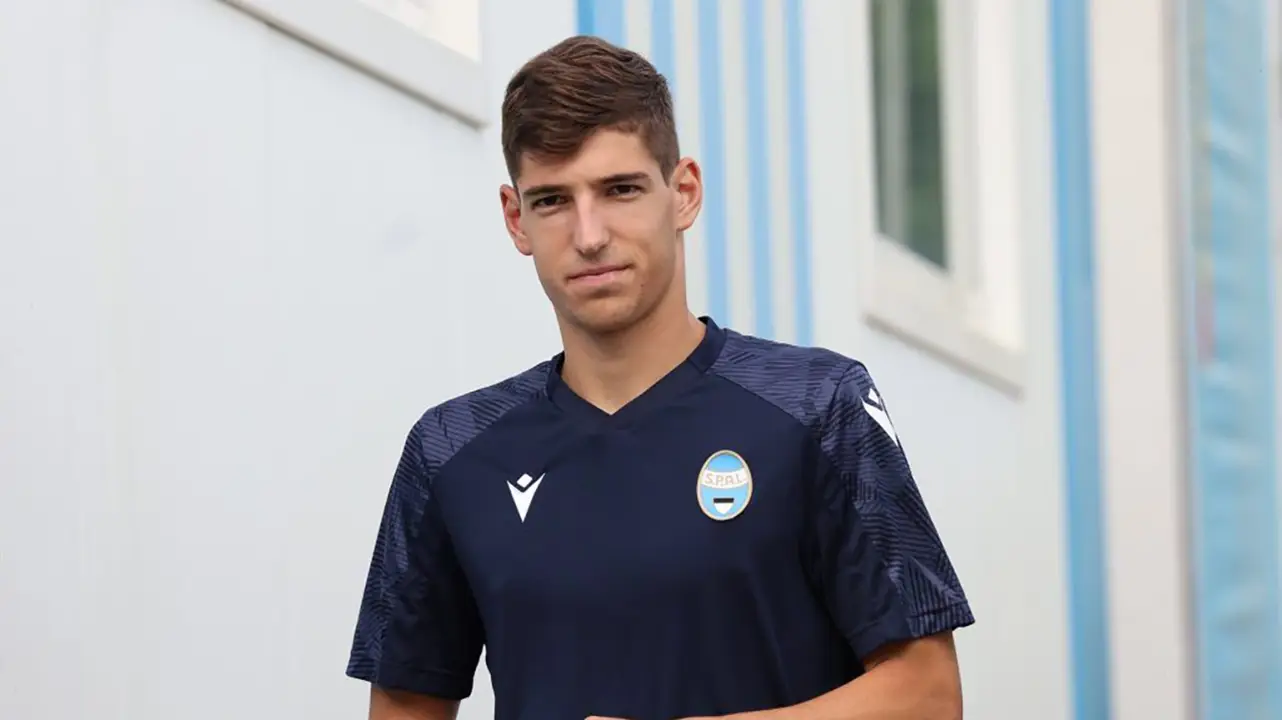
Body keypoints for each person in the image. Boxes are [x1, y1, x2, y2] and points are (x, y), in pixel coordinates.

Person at [346, 35, 973, 720]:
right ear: (515, 218)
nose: (589, 235)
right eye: (552, 200)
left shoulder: (819, 406)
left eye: (619, 190)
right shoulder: (450, 451)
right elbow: (404, 707)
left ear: (684, 194)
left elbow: (929, 695)